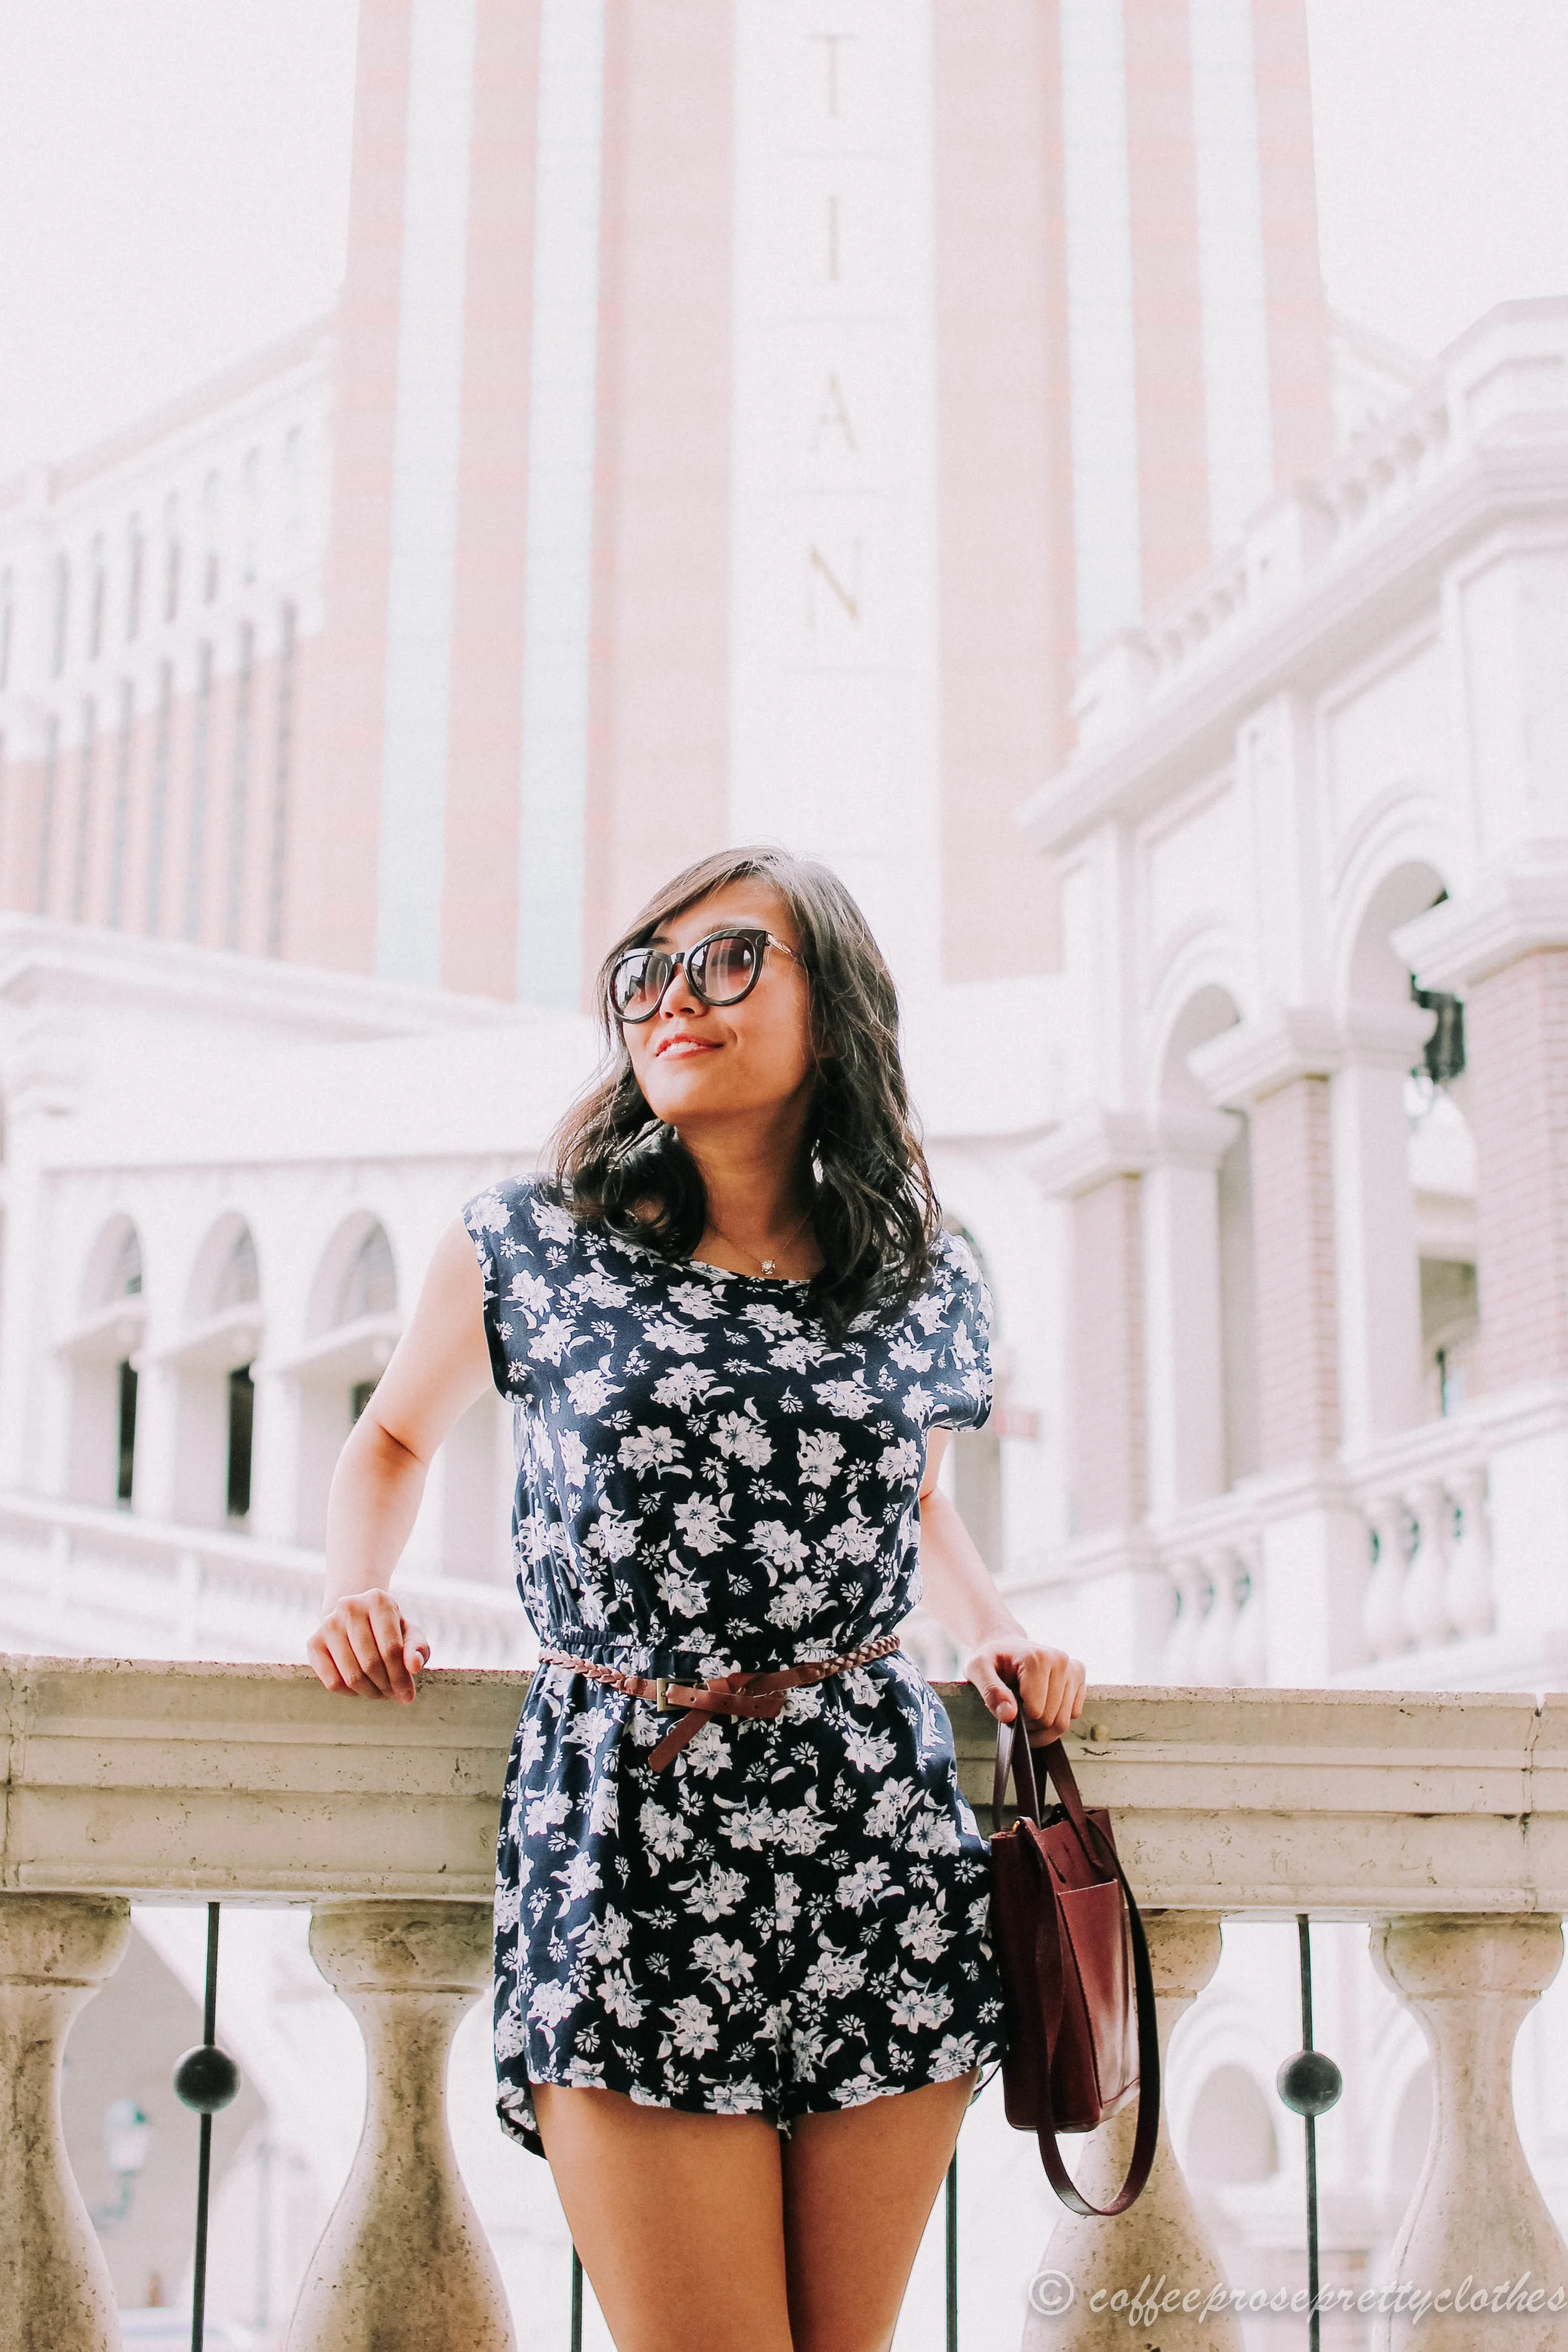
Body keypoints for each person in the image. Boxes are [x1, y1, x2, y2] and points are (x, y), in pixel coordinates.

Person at [307, 844, 1086, 2352]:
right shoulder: (526, 1247)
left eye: (731, 961)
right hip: (629, 1834)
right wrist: (356, 1586)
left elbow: (912, 1492)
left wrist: (991, 1624)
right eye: (646, 975)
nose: (676, 999)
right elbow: (391, 1436)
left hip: (870, 1827)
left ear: (835, 1004)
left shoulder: (919, 1268)